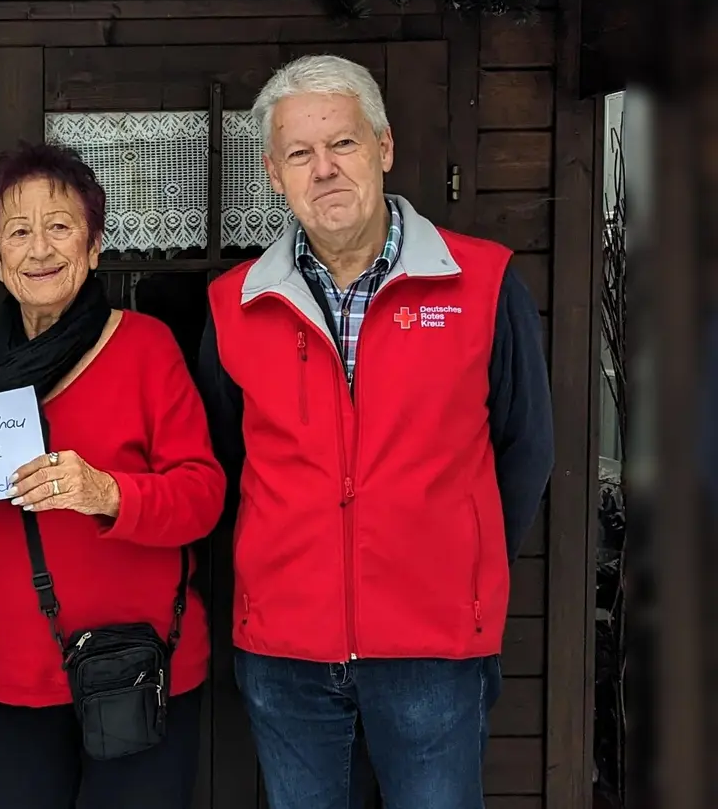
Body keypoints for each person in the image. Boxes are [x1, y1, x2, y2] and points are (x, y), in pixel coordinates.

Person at [195, 54, 554, 809]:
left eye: (344, 144)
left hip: (435, 644)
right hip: (286, 649)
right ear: (273, 173)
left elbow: (527, 448)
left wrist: (458, 559)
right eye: (300, 153)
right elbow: (226, 459)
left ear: (383, 149)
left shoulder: (482, 282)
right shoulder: (235, 305)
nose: (323, 169)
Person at [0, 142, 227, 808]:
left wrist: (106, 492)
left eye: (60, 226)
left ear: (94, 245)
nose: (40, 248)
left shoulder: (144, 347)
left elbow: (202, 496)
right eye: (17, 231)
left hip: (137, 667)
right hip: (10, 671)